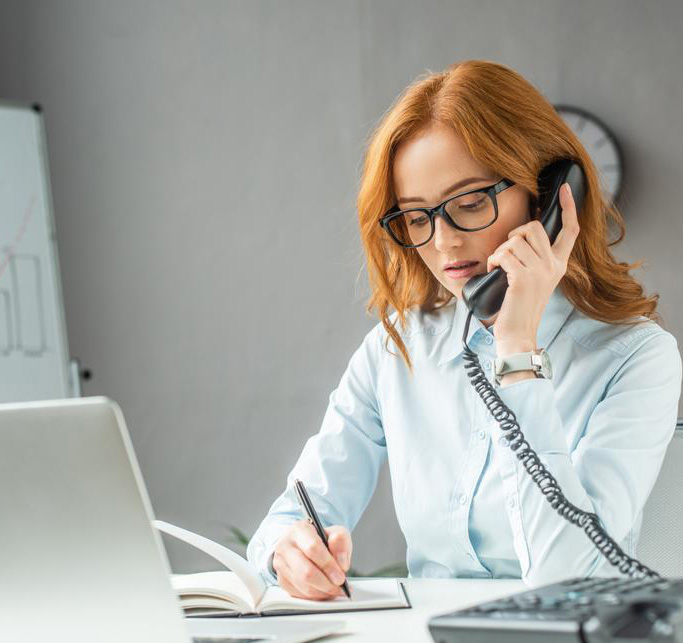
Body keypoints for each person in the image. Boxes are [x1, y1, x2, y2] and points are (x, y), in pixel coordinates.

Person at [246, 59, 682, 600]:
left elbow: (570, 578)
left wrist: (517, 348)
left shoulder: (637, 358)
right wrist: (289, 552)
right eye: (416, 216)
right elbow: (284, 523)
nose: (444, 242)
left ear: (546, 196)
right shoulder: (395, 349)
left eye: (471, 202)